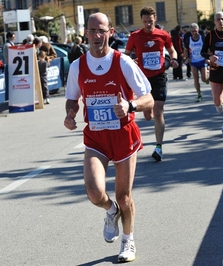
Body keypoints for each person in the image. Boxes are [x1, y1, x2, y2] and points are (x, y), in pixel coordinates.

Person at [63, 12, 154, 262]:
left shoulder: (122, 62)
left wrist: (131, 106)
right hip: (96, 138)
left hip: (123, 136)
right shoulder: (77, 66)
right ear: (86, 34)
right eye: (91, 31)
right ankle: (109, 209)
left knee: (125, 196)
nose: (96, 36)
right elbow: (72, 98)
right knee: (94, 192)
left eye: (101, 30)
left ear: (110, 33)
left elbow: (149, 98)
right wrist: (71, 113)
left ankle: (128, 242)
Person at [125, 6, 179, 161]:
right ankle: (149, 116)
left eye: (150, 21)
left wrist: (174, 59)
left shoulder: (163, 35)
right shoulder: (135, 36)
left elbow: (172, 50)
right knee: (148, 116)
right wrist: (131, 62)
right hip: (143, 79)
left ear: (155, 19)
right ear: (141, 21)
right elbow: (126, 55)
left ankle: (159, 147)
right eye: (145, 21)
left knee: (158, 111)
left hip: (160, 76)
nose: (148, 24)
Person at [184, 23, 208, 102]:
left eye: (195, 31)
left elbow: (207, 48)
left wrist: (207, 57)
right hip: (193, 61)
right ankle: (199, 95)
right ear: (190, 32)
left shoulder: (202, 38)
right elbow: (186, 49)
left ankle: (207, 77)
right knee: (196, 79)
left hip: (202, 60)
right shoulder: (188, 40)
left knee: (204, 79)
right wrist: (187, 58)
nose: (194, 33)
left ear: (198, 30)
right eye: (192, 31)